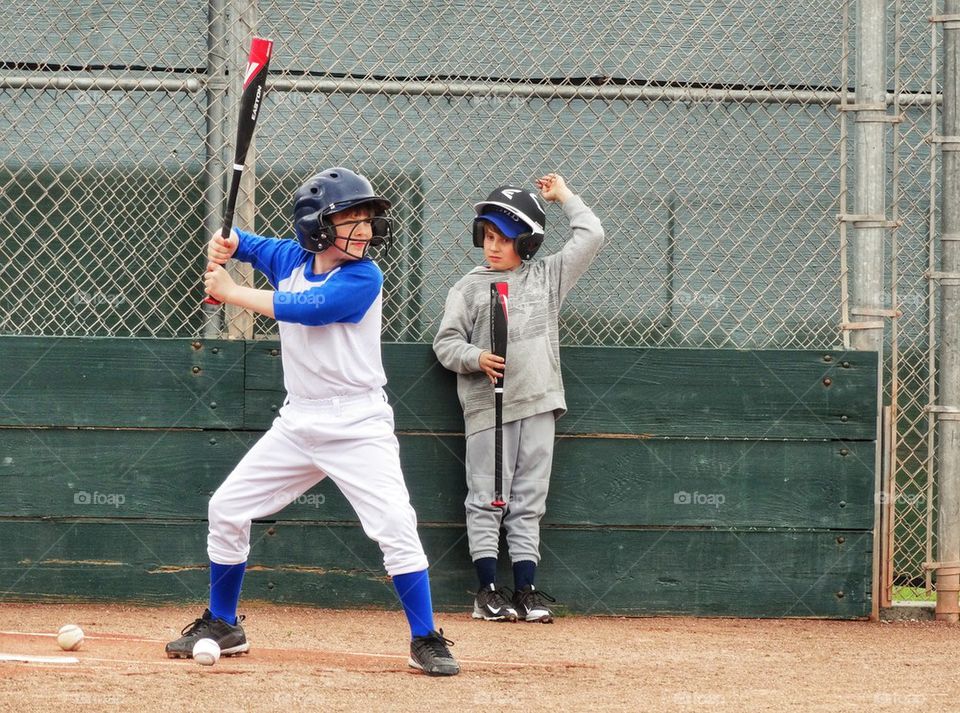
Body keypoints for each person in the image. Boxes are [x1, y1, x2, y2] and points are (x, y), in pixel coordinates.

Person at [165, 167, 459, 676]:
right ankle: (223, 621)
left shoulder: (363, 276)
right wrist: (227, 243)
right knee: (227, 507)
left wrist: (230, 292)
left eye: (366, 219)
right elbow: (249, 244)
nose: (364, 229)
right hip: (298, 421)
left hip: (358, 421)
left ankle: (425, 636)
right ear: (315, 226)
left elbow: (306, 309)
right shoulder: (293, 258)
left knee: (394, 524)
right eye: (349, 219)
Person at [433, 173, 604, 623]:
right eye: (487, 236)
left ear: (526, 246)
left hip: (540, 403)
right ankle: (487, 591)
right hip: (490, 410)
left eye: (505, 240)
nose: (492, 247)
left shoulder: (547, 277)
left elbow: (592, 235)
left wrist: (564, 195)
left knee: (529, 500)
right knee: (488, 497)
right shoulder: (468, 287)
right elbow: (446, 343)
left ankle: (525, 589)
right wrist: (475, 357)